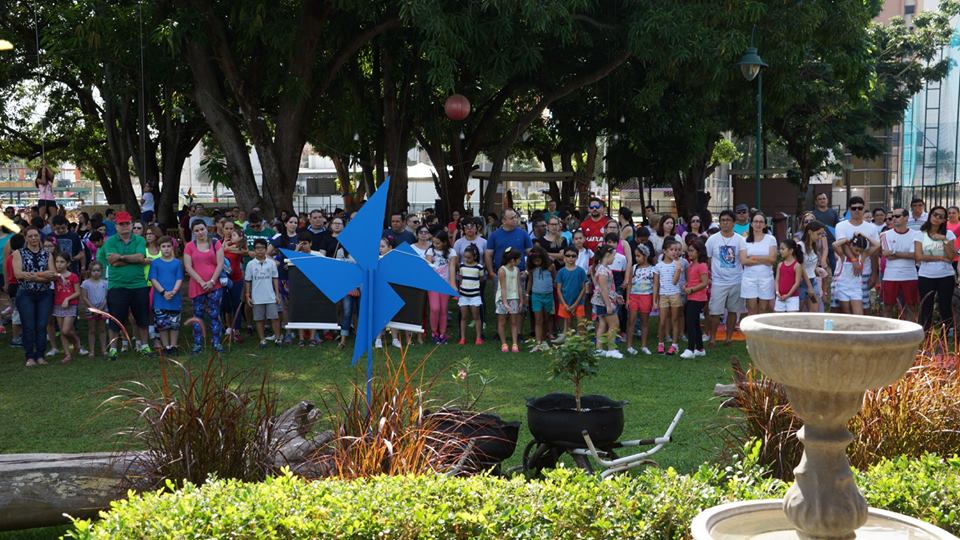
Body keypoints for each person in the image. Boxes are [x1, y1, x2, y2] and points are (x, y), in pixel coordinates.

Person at [97, 211, 151, 359]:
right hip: (117, 286)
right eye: (121, 224)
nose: (125, 226)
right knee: (115, 319)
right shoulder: (110, 242)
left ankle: (145, 347)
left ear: (131, 224)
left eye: (127, 223)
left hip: (138, 285)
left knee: (142, 318)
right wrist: (134, 260)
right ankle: (113, 349)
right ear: (116, 226)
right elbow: (112, 262)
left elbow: (140, 257)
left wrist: (120, 257)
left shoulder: (139, 240)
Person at [13, 227, 57, 366]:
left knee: (42, 325)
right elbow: (18, 274)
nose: (33, 238)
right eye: (30, 236)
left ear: (39, 237)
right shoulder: (18, 253)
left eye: (36, 235)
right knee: (29, 325)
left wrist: (33, 276)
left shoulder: (47, 254)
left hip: (44, 294)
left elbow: (53, 275)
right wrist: (42, 275)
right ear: (26, 238)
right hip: (25, 293)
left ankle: (40, 355)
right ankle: (30, 356)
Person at [705, 210, 747, 345]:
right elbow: (708, 259)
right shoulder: (712, 239)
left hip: (736, 280)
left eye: (728, 220)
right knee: (714, 312)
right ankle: (713, 338)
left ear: (734, 223)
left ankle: (728, 338)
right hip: (718, 282)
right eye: (722, 220)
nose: (725, 223)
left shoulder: (740, 240)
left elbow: (743, 260)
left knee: (733, 311)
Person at [183, 220, 225, 354]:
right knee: (197, 315)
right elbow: (188, 267)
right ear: (193, 233)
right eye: (196, 230)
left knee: (214, 314)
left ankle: (216, 342)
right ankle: (197, 344)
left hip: (215, 285)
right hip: (197, 285)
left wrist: (212, 281)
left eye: (202, 229)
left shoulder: (215, 243)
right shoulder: (189, 246)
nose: (200, 232)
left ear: (207, 229)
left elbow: (220, 264)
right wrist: (201, 282)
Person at [833, 197, 880, 313]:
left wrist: (864, 235)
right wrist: (853, 257)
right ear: (849, 209)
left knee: (864, 308)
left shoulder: (871, 228)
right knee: (839, 310)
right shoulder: (841, 225)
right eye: (854, 208)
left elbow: (876, 248)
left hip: (862, 276)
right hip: (842, 281)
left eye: (860, 208)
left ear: (864, 209)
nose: (857, 210)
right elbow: (839, 246)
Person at [914, 206, 956, 331]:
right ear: (930, 215)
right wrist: (940, 257)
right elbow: (918, 257)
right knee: (926, 307)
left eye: (940, 217)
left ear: (944, 220)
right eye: (935, 214)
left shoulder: (948, 234)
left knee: (945, 307)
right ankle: (926, 335)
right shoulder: (920, 234)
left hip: (946, 275)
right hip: (926, 275)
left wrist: (944, 239)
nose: (937, 218)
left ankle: (948, 335)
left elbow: (951, 256)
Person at [878, 208, 919, 321]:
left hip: (910, 275)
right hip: (890, 276)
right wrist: (905, 254)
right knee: (887, 307)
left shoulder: (916, 234)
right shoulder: (885, 234)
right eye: (892, 217)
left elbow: (915, 255)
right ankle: (887, 330)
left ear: (906, 218)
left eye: (897, 216)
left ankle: (911, 330)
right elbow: (888, 255)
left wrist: (894, 252)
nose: (893, 219)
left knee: (911, 307)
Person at [149, 236, 184, 355]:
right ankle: (166, 346)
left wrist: (174, 291)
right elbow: (153, 279)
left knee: (174, 324)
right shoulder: (155, 263)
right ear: (159, 248)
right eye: (163, 246)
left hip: (175, 298)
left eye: (168, 246)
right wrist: (163, 292)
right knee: (162, 324)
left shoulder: (177, 263)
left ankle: (173, 346)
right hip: (160, 299)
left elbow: (179, 278)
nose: (166, 249)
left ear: (172, 247)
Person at [740, 212, 777, 315]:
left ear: (765, 225)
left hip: (766, 278)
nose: (758, 224)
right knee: (751, 307)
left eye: (761, 222)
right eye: (756, 221)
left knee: (764, 308)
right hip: (749, 278)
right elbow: (743, 261)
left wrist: (752, 258)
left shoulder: (771, 239)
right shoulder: (744, 240)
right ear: (751, 224)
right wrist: (765, 260)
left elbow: (772, 260)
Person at [424, 230, 458, 344]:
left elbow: (452, 268)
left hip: (445, 284)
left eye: (438, 243)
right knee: (435, 308)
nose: (435, 245)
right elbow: (428, 267)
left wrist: (453, 284)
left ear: (444, 242)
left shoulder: (451, 252)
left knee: (443, 309)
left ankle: (442, 333)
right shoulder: (430, 251)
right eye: (433, 242)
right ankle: (434, 332)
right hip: (433, 284)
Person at [833, 234, 877, 315]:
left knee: (858, 314)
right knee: (847, 313)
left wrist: (863, 235)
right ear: (851, 245)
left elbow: (877, 245)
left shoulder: (862, 256)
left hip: (856, 289)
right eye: (856, 250)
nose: (858, 253)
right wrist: (846, 240)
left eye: (861, 251)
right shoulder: (843, 256)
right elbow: (834, 245)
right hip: (842, 287)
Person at [591, 245, 623, 358]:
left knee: (603, 324)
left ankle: (599, 349)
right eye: (613, 256)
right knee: (614, 324)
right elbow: (603, 289)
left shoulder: (602, 268)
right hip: (604, 302)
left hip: (601, 301)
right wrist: (608, 305)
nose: (614, 259)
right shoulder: (603, 271)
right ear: (608, 255)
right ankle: (611, 349)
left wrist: (616, 296)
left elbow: (608, 288)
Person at [653, 239, 684, 356]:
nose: (674, 252)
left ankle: (674, 345)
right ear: (665, 251)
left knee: (675, 320)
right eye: (671, 249)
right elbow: (656, 284)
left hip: (675, 294)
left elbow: (675, 282)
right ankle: (660, 343)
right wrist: (654, 301)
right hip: (663, 295)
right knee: (662, 321)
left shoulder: (677, 264)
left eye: (676, 250)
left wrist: (678, 269)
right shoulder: (658, 266)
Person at [679, 240, 709, 359]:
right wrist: (687, 285)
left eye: (692, 250)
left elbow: (704, 283)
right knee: (695, 323)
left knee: (690, 323)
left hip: (698, 298)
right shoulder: (692, 265)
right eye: (688, 250)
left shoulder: (702, 265)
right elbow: (694, 280)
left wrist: (691, 289)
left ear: (699, 252)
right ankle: (700, 349)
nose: (689, 253)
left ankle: (690, 349)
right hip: (692, 297)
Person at [51, 251, 82, 363]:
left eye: (62, 262)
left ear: (68, 263)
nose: (59, 264)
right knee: (62, 331)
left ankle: (76, 340)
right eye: (57, 262)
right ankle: (67, 354)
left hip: (70, 305)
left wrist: (67, 299)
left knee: (66, 330)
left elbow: (78, 292)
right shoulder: (54, 276)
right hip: (58, 305)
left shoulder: (73, 276)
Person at [485, 208, 533, 280]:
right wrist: (491, 273)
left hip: (519, 274)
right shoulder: (494, 235)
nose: (515, 219)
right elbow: (488, 255)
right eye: (512, 218)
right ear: (503, 221)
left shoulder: (523, 234)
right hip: (500, 274)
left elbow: (531, 254)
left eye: (516, 217)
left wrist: (527, 271)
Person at [625, 244, 654, 355]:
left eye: (638, 256)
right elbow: (629, 284)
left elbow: (655, 286)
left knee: (644, 322)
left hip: (646, 296)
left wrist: (654, 300)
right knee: (631, 321)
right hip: (634, 296)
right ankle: (629, 346)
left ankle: (644, 346)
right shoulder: (634, 268)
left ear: (645, 256)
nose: (636, 258)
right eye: (635, 256)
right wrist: (627, 299)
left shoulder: (652, 269)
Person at [555, 246, 589, 341]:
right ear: (564, 257)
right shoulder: (561, 272)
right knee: (567, 323)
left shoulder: (581, 271)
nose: (571, 258)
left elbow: (583, 288)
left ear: (577, 257)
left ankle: (581, 342)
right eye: (568, 256)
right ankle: (567, 341)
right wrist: (565, 304)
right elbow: (558, 289)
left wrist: (575, 304)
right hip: (565, 302)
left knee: (581, 324)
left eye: (573, 256)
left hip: (579, 302)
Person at [526, 246, 556, 352]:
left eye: (538, 260)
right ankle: (538, 343)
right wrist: (527, 294)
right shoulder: (532, 269)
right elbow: (530, 281)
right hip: (536, 296)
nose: (536, 262)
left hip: (548, 295)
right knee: (538, 319)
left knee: (546, 319)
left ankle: (543, 340)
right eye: (534, 260)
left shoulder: (551, 267)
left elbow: (555, 279)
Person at [495, 248, 523, 353]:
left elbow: (519, 286)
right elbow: (503, 288)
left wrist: (521, 300)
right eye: (518, 259)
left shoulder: (517, 270)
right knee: (502, 321)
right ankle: (504, 343)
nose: (519, 261)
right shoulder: (502, 270)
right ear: (512, 260)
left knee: (514, 322)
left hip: (514, 297)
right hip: (502, 299)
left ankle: (515, 343)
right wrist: (505, 303)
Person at [457, 244, 484, 345]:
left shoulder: (479, 267)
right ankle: (462, 338)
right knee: (463, 317)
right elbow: (460, 278)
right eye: (465, 257)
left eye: (469, 257)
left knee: (476, 317)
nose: (466, 259)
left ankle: (478, 338)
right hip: (463, 295)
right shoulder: (462, 266)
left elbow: (481, 279)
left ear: (475, 256)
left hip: (475, 296)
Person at [799, 221, 828, 312]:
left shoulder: (814, 246)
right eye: (818, 234)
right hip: (802, 283)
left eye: (821, 234)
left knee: (814, 311)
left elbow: (811, 266)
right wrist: (809, 286)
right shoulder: (800, 246)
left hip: (813, 281)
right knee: (798, 312)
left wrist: (817, 270)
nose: (820, 237)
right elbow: (801, 267)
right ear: (810, 232)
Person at [80, 260, 108, 357]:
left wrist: (100, 308)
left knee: (102, 329)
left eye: (98, 270)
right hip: (90, 309)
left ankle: (104, 350)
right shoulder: (85, 283)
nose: (96, 272)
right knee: (91, 330)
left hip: (102, 309)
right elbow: (84, 297)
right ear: (90, 271)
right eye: (93, 270)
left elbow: (106, 297)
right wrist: (92, 308)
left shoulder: (105, 283)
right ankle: (92, 351)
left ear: (101, 271)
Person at [774, 239, 803, 313]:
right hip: (780, 297)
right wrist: (777, 292)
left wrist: (788, 295)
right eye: (780, 249)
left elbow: (797, 283)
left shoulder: (797, 266)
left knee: (792, 318)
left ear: (791, 251)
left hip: (793, 298)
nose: (780, 251)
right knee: (778, 318)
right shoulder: (780, 265)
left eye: (783, 249)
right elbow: (777, 280)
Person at [947, 206, 960, 272]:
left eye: (954, 213)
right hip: (946, 258)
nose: (951, 215)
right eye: (949, 213)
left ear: (959, 214)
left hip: (958, 259)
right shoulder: (943, 226)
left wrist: (958, 251)